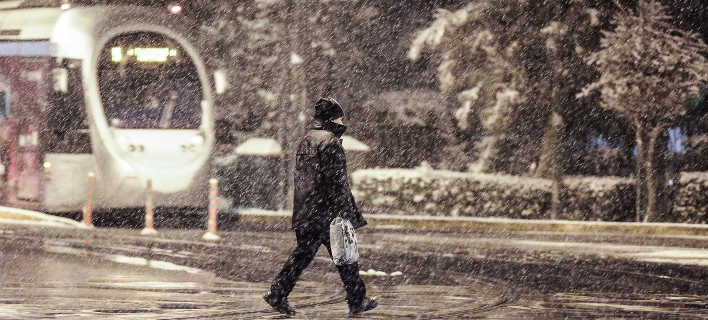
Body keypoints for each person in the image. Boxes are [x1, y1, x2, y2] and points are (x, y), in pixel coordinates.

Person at [263, 98, 378, 316]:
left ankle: (278, 293)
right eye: (340, 117)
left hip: (308, 209)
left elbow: (305, 178)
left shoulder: (307, 139)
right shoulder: (331, 142)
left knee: (303, 256)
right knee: (346, 257)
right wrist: (346, 212)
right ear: (334, 118)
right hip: (326, 212)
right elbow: (336, 182)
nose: (343, 121)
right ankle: (356, 301)